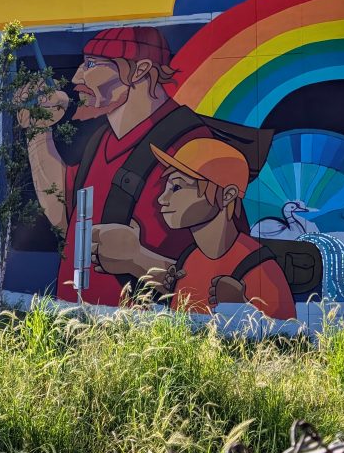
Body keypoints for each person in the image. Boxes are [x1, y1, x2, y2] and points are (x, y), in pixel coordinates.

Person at [21, 26, 223, 305]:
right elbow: (64, 215)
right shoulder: (103, 138)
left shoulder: (190, 148)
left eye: (92, 64)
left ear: (139, 70)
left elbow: (221, 275)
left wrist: (139, 260)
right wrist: (38, 131)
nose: (78, 76)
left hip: (147, 337)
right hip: (81, 325)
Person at [89, 139, 296, 320]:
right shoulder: (191, 258)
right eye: (167, 187)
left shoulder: (258, 266)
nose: (162, 199)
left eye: (177, 188)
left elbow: (289, 338)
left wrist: (241, 306)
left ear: (227, 195)